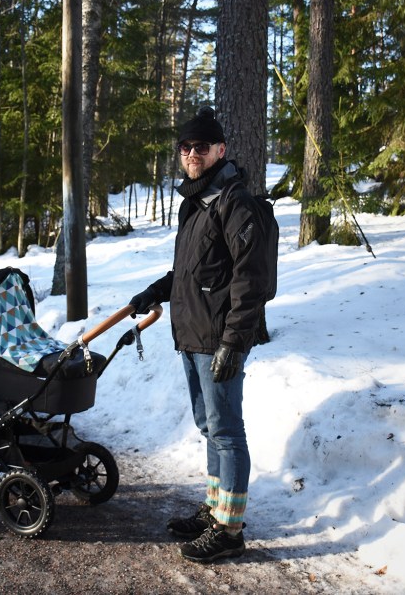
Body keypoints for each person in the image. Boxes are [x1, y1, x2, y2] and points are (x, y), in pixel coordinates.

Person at [128, 107, 270, 563]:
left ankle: (230, 530)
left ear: (220, 150)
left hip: (216, 338)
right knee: (210, 428)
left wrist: (234, 342)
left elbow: (251, 279)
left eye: (201, 147)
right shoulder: (196, 201)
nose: (192, 154)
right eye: (186, 148)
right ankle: (216, 509)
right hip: (192, 335)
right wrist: (158, 290)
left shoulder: (234, 201)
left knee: (227, 432)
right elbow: (192, 271)